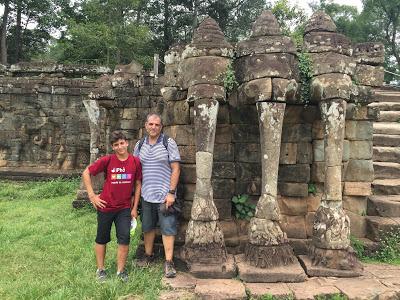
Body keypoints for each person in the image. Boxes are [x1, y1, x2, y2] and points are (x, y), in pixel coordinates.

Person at [82, 130, 142, 282]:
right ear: (113, 147)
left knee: (124, 238)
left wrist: (134, 208)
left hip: (124, 208)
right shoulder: (108, 160)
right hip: (106, 206)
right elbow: (86, 173)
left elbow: (137, 184)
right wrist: (92, 196)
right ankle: (100, 270)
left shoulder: (135, 162)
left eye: (122, 143)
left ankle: (120, 271)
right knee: (102, 238)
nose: (120, 147)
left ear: (127, 143)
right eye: (116, 145)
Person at [133, 113, 181, 278]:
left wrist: (171, 193)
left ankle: (169, 262)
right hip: (146, 195)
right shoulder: (139, 145)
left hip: (164, 196)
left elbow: (175, 168)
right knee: (147, 226)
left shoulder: (168, 143)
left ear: (161, 127)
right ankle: (148, 255)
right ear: (146, 125)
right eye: (151, 124)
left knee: (168, 228)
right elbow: (135, 171)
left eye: (157, 125)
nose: (153, 127)